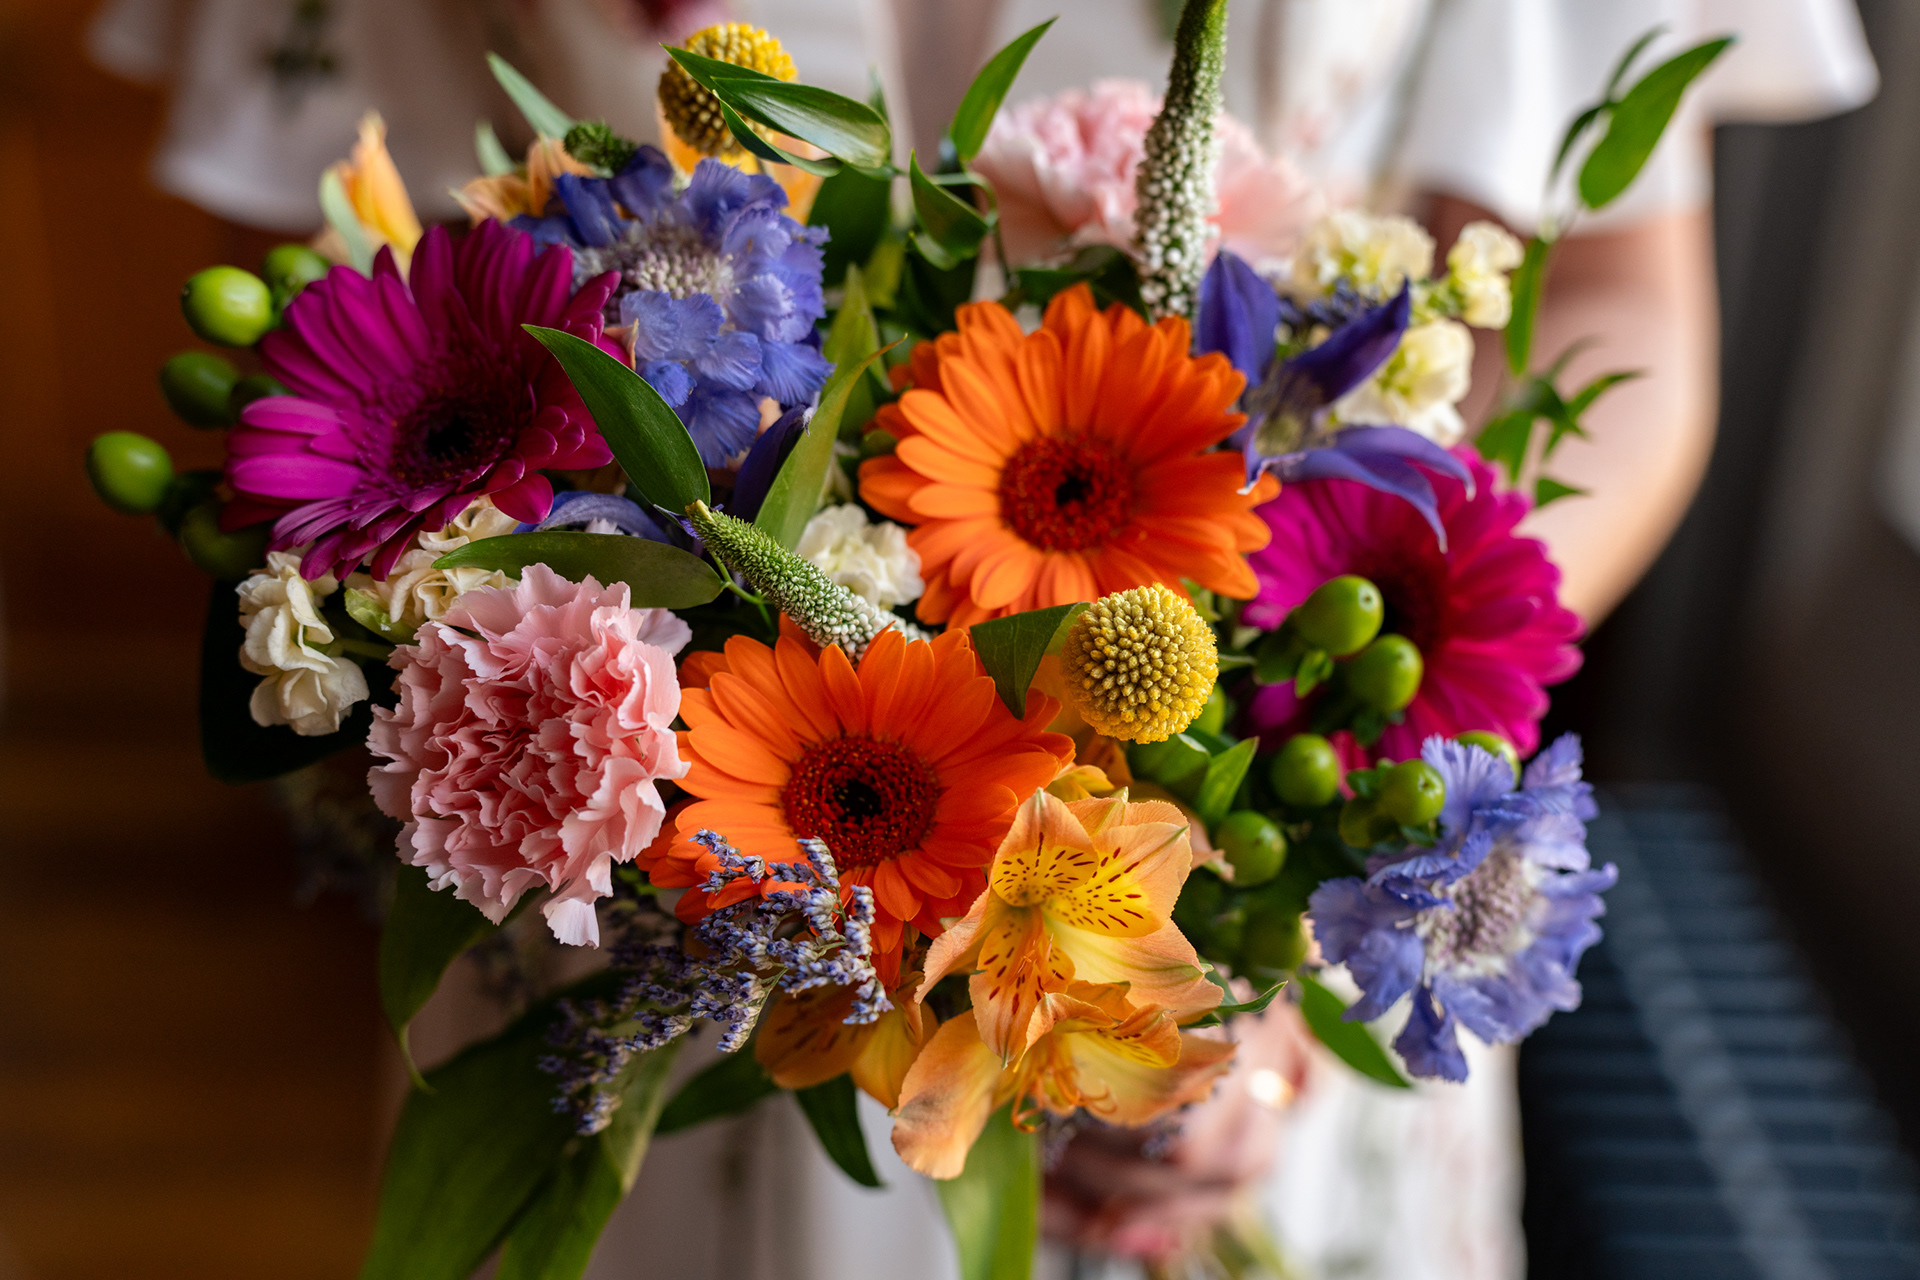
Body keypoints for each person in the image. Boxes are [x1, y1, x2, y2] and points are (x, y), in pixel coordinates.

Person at [91, 0, 1877, 1276]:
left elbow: (1630, 305)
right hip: (646, 882)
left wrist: (1302, 880)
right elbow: (333, 325)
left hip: (1245, 895)